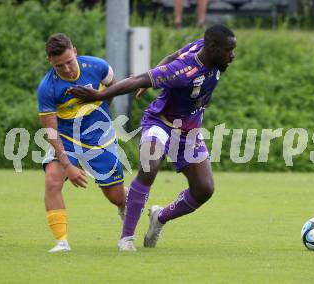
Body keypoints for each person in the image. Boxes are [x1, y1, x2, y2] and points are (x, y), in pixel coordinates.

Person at [68, 24, 236, 251]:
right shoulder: (183, 70)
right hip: (161, 122)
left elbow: (170, 56)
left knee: (204, 189)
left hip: (189, 131)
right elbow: (138, 79)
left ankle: (159, 216)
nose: (232, 56)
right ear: (213, 47)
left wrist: (154, 76)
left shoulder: (201, 46)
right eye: (228, 50)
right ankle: (126, 238)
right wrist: (101, 94)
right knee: (150, 165)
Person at [37, 33, 127, 253]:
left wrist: (98, 100)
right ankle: (61, 242)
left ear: (75, 51)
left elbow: (114, 86)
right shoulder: (47, 87)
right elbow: (51, 130)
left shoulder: (97, 66)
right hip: (67, 139)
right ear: (50, 61)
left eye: (69, 61)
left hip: (100, 138)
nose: (67, 69)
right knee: (52, 179)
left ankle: (139, 206)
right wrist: (68, 165)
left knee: (116, 197)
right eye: (59, 65)